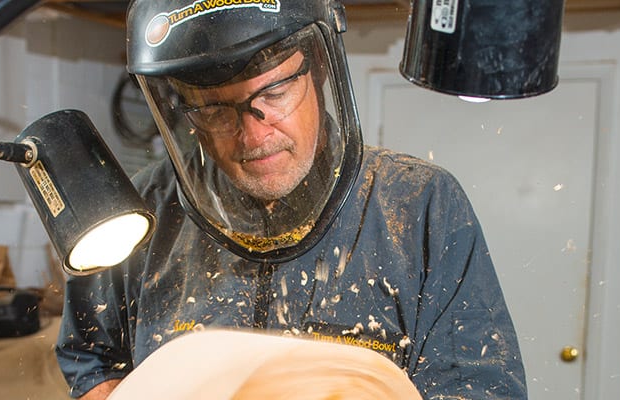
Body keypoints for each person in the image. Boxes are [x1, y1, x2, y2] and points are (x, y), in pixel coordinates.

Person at [55, 1, 527, 399]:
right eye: (215, 110)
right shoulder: (143, 212)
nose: (253, 134)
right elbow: (93, 361)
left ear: (318, 71)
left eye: (274, 92)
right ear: (184, 111)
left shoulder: (419, 205)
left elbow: (478, 385)